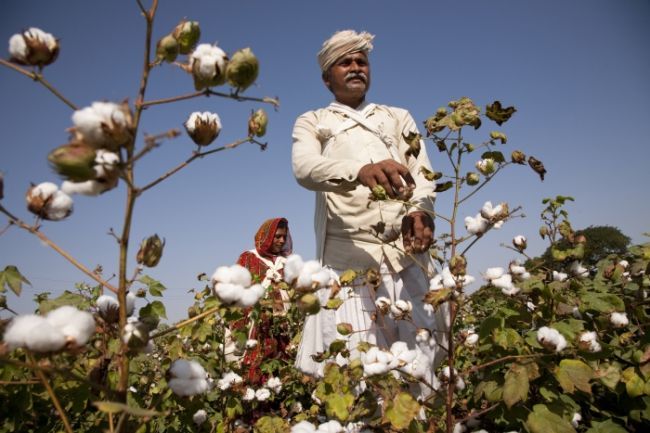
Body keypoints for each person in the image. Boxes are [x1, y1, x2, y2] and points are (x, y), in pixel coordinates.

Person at [291, 30, 448, 385]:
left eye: (361, 61)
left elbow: (423, 174)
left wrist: (420, 210)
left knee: (421, 364)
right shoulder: (313, 122)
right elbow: (304, 168)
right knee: (356, 369)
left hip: (404, 256)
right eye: (345, 62)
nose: (355, 67)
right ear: (327, 78)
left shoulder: (396, 117)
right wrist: (359, 172)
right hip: (349, 268)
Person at [233, 217, 293, 385]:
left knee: (284, 368)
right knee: (256, 369)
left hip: (284, 328)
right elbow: (236, 294)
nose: (282, 241)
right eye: (277, 236)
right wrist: (239, 330)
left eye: (284, 237)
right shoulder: (248, 259)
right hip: (257, 327)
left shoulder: (287, 262)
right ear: (266, 236)